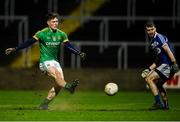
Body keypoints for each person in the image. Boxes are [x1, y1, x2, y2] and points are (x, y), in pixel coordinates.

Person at [5, 12, 86, 110]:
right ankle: (69, 86)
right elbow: (29, 42)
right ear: (48, 23)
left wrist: (78, 53)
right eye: (53, 21)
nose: (56, 23)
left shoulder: (62, 34)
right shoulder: (42, 33)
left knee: (59, 84)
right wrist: (16, 48)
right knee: (57, 75)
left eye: (57, 21)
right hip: (45, 61)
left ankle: (44, 105)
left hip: (55, 62)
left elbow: (68, 46)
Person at [141, 21, 179, 110]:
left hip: (167, 65)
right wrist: (149, 68)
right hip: (164, 64)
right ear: (146, 31)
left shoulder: (159, 37)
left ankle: (158, 103)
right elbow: (158, 59)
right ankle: (165, 105)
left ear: (155, 28)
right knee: (158, 84)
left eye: (152, 29)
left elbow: (168, 50)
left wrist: (174, 63)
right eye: (148, 30)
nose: (150, 31)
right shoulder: (152, 42)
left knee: (148, 79)